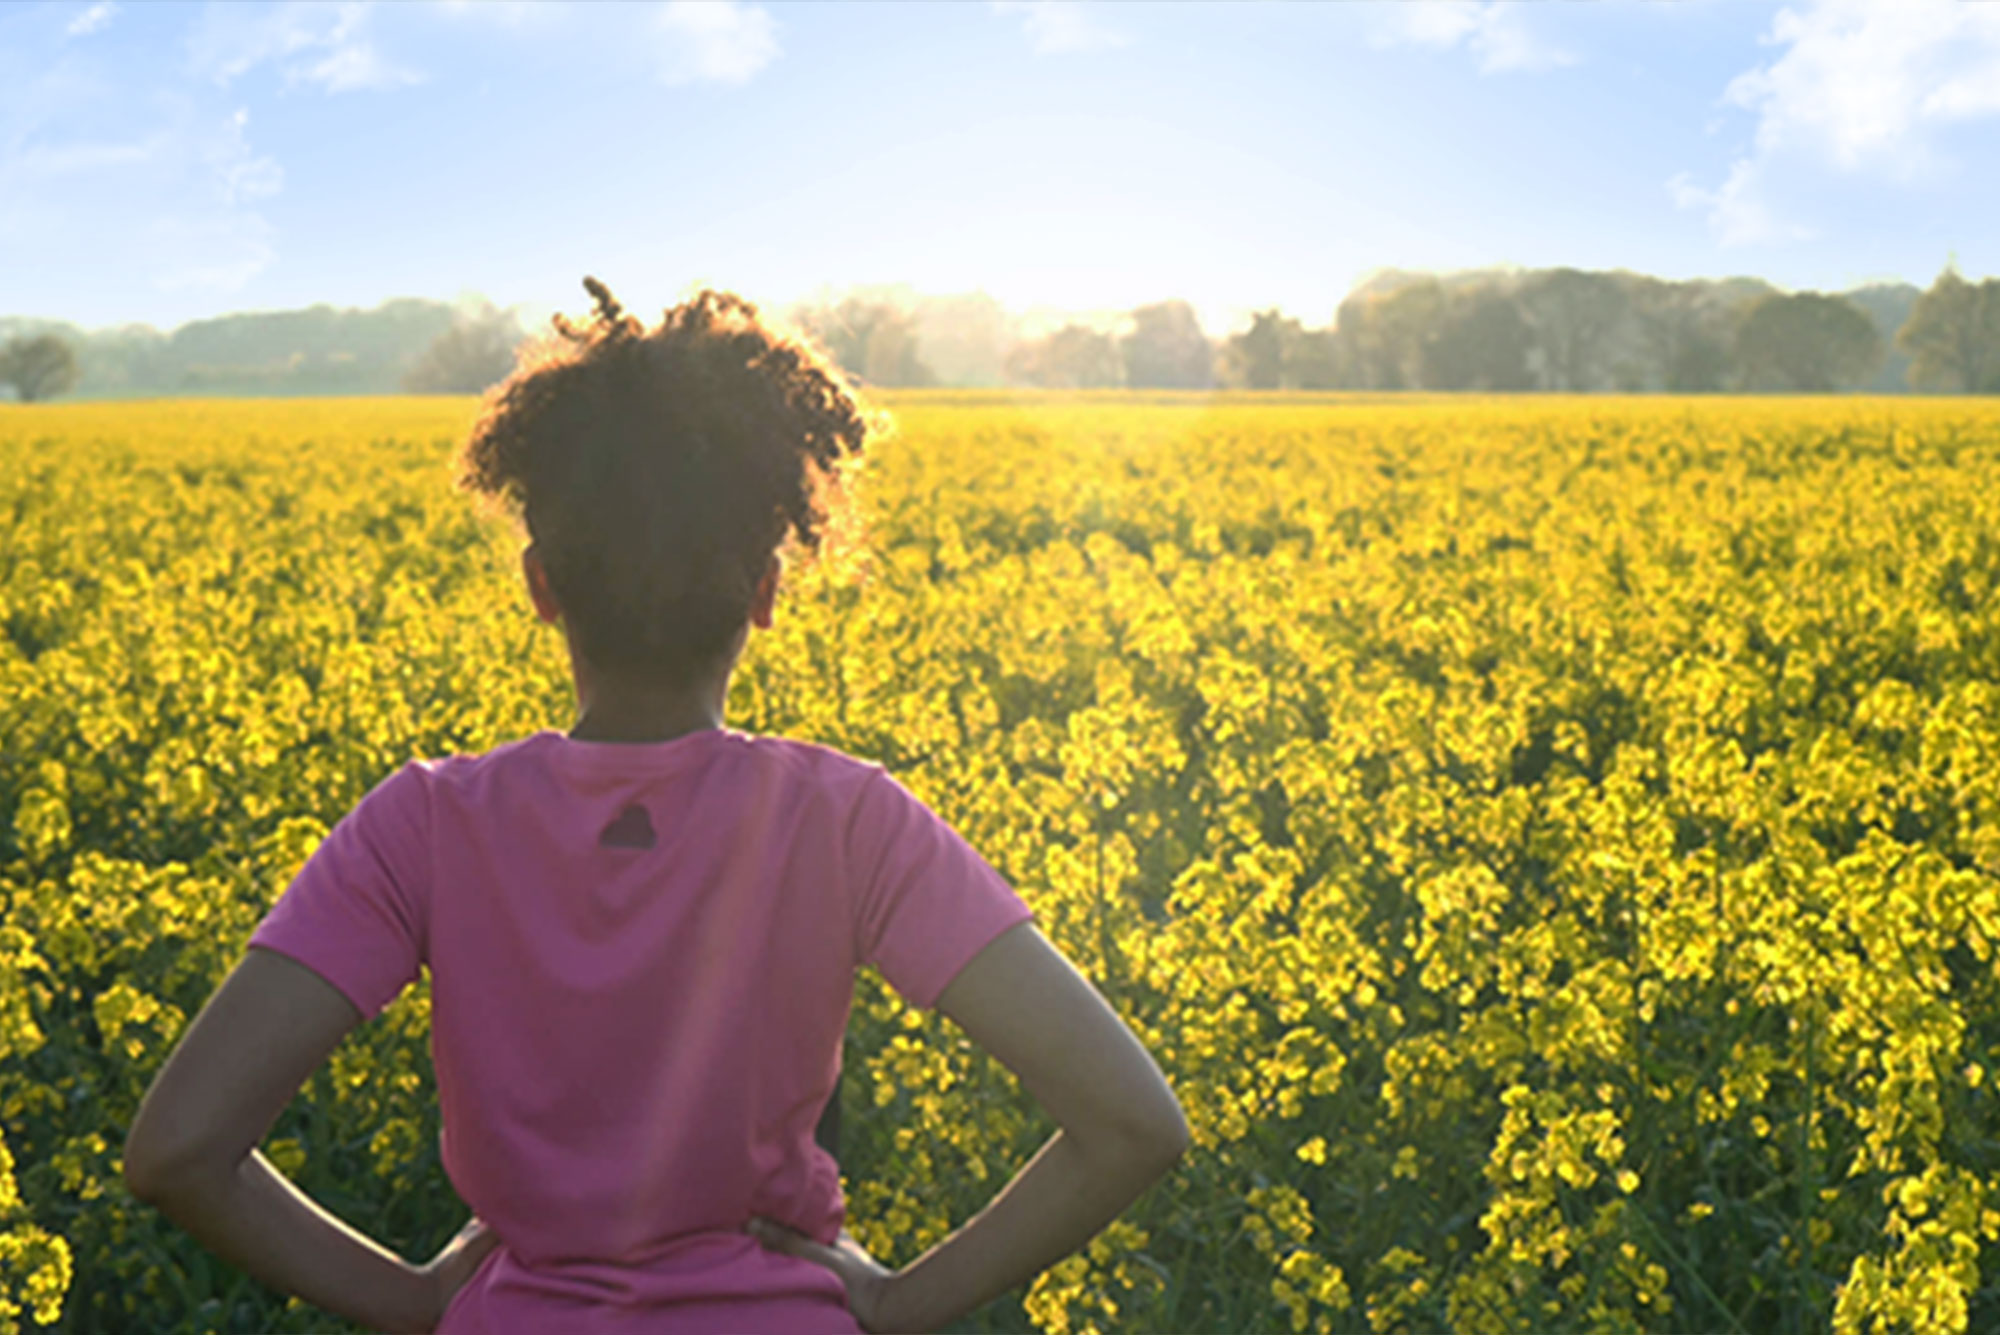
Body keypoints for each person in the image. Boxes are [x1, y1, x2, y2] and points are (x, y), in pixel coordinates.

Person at [122, 279, 1190, 1333]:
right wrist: (900, 1304)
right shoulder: (847, 819)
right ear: (766, 592)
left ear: (540, 586)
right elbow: (1130, 1123)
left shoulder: (425, 825)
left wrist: (407, 1299)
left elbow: (178, 1151)